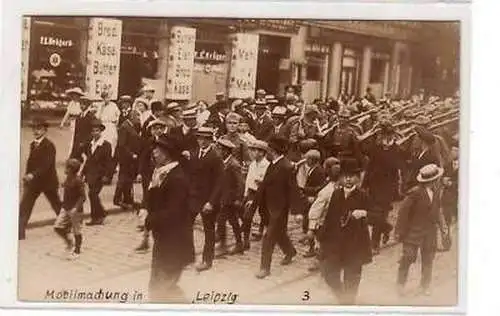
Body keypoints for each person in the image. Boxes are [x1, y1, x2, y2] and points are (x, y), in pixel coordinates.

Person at [146, 134, 194, 303]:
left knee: (162, 290)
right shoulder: (162, 174)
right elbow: (154, 201)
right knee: (160, 288)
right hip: (164, 242)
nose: (154, 152)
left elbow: (172, 213)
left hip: (175, 245)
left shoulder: (177, 179)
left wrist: (148, 219)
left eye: (157, 149)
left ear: (167, 153)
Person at [317, 158, 373, 305]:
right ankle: (343, 298)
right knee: (329, 274)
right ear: (340, 177)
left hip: (355, 245)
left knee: (352, 278)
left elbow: (378, 217)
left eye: (352, 176)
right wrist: (321, 239)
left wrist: (365, 213)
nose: (348, 179)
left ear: (358, 177)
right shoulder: (336, 194)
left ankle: (348, 304)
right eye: (345, 176)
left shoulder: (363, 195)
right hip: (336, 244)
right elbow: (329, 218)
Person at [395, 164, 447, 297]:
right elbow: (403, 213)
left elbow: (438, 210)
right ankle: (400, 284)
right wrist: (399, 232)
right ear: (431, 181)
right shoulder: (415, 193)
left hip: (429, 232)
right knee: (408, 257)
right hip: (413, 232)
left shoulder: (436, 192)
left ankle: (425, 286)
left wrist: (443, 228)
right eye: (437, 179)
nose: (438, 180)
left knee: (428, 259)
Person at [255, 136, 298, 279]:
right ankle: (290, 251)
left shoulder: (286, 167)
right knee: (279, 234)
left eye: (267, 150)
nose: (265, 152)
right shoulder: (273, 164)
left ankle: (264, 268)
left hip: (279, 209)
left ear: (273, 151)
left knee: (268, 237)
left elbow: (293, 190)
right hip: (268, 206)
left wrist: (297, 211)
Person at [363, 120, 405, 254]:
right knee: (375, 215)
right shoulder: (375, 148)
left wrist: (397, 188)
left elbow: (397, 168)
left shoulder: (397, 149)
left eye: (388, 134)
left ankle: (374, 244)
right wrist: (365, 184)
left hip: (388, 187)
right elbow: (369, 167)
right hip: (375, 185)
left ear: (392, 134)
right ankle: (386, 228)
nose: (384, 137)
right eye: (382, 134)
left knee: (380, 214)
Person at [19, 117, 61, 240]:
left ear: (45, 130)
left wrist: (33, 174)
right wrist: (27, 176)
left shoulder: (49, 145)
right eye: (34, 129)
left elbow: (47, 165)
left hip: (48, 182)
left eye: (39, 129)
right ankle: (19, 233)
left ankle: (66, 224)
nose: (36, 131)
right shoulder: (33, 144)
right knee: (25, 206)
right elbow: (31, 163)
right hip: (34, 183)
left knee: (56, 204)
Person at [191, 127, 225, 272]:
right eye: (199, 138)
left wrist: (211, 202)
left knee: (209, 231)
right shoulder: (195, 154)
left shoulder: (215, 157)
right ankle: (186, 256)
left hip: (208, 201)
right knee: (185, 225)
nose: (202, 141)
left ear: (211, 140)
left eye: (205, 138)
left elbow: (220, 182)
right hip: (194, 198)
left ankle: (207, 260)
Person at [135, 119, 168, 251]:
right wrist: (140, 173)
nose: (158, 131)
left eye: (160, 128)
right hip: (150, 177)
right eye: (155, 128)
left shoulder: (168, 141)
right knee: (148, 204)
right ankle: (145, 239)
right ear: (151, 130)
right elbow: (143, 158)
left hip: (163, 176)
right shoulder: (148, 142)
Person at [306, 157, 342, 272]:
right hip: (331, 222)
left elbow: (315, 211)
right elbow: (316, 210)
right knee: (325, 242)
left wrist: (311, 228)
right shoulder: (328, 190)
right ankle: (321, 260)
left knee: (327, 242)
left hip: (333, 221)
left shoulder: (332, 190)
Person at [214, 138, 245, 257]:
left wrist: (238, 199)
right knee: (233, 221)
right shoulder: (223, 162)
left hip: (230, 199)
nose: (218, 151)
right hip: (224, 197)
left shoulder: (233, 164)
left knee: (221, 221)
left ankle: (223, 245)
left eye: (220, 149)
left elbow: (240, 183)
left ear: (226, 151)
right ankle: (238, 244)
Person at [81, 118, 112, 226]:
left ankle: (96, 217)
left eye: (97, 131)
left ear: (101, 131)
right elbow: (88, 159)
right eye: (93, 131)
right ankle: (101, 213)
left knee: (92, 194)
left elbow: (109, 161)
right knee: (92, 194)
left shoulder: (106, 145)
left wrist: (107, 175)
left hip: (100, 174)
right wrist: (83, 173)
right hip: (90, 174)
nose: (95, 133)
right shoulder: (89, 144)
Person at [53, 158, 86, 259]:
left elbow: (83, 197)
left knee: (77, 230)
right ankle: (69, 242)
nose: (65, 169)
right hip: (66, 207)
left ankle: (77, 250)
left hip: (75, 210)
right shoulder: (68, 178)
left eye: (67, 167)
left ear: (71, 169)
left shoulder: (78, 180)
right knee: (58, 227)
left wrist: (75, 208)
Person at [296, 149, 327, 258]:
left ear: (312, 160)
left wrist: (305, 189)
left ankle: (312, 247)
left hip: (313, 201)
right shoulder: (314, 169)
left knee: (311, 225)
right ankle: (310, 243)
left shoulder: (318, 171)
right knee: (307, 223)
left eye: (307, 159)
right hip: (309, 201)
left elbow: (319, 188)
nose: (305, 161)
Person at [242, 140, 270, 250]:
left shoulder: (267, 165)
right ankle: (245, 240)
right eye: (252, 150)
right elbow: (249, 180)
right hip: (252, 192)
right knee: (247, 215)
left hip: (263, 194)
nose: (253, 153)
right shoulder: (253, 164)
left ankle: (263, 231)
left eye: (255, 151)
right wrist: (246, 194)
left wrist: (261, 182)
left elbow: (268, 183)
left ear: (262, 153)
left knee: (264, 214)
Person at [113, 106, 142, 210]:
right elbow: (122, 145)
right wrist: (131, 154)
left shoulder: (132, 126)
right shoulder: (124, 127)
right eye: (137, 116)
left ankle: (127, 199)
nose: (139, 118)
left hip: (130, 158)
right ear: (131, 116)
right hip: (125, 158)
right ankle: (117, 199)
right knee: (123, 178)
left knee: (128, 179)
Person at [70, 94, 96, 160]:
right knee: (76, 159)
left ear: (87, 105)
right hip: (78, 142)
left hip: (87, 142)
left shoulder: (91, 116)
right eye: (81, 104)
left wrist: (85, 142)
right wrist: (75, 142)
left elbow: (92, 131)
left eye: (84, 104)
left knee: (89, 159)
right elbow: (76, 131)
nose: (82, 106)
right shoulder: (79, 116)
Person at [60, 87, 84, 156]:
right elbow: (67, 113)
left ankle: (78, 154)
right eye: (74, 94)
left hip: (80, 122)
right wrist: (62, 122)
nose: (75, 96)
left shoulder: (81, 103)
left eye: (77, 95)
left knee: (79, 138)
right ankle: (71, 154)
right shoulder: (71, 103)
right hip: (73, 122)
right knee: (72, 138)